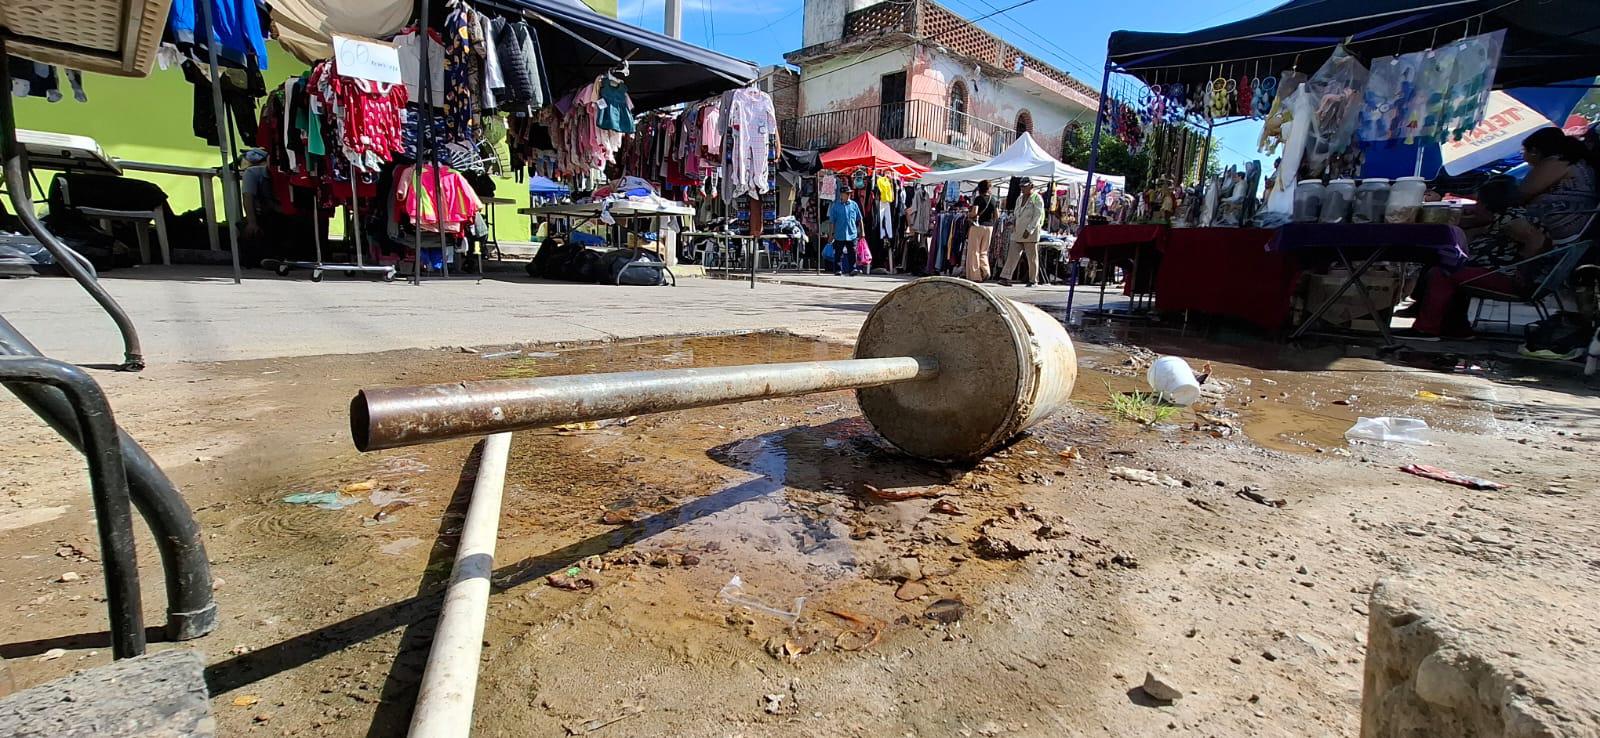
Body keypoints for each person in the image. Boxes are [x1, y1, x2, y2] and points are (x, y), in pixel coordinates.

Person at [1398, 176, 1552, 340]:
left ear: (1487, 204)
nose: (1476, 207)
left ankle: (1426, 329)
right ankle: (1455, 329)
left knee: (1443, 273)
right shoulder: (1503, 217)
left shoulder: (1513, 220)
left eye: (1479, 203)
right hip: (1497, 273)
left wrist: (1524, 272)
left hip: (1510, 279)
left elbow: (1537, 241)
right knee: (1448, 266)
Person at [1517, 126, 1599, 243]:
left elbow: (1521, 194)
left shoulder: (1555, 162)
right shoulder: (1573, 160)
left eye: (1524, 151)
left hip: (1565, 225)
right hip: (1579, 220)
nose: (1523, 156)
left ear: (1534, 151)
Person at [999, 180, 1045, 286]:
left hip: (1030, 232)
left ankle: (1033, 280)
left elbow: (1037, 216)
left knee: (1032, 258)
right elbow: (1016, 213)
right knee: (1012, 255)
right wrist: (1011, 221)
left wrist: (1029, 230)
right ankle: (1005, 277)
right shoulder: (1019, 198)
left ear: (1031, 186)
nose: (1022, 189)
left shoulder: (1037, 198)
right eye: (1021, 187)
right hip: (1017, 231)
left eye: (1025, 186)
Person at [827, 185, 864, 276]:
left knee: (852, 252)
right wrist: (831, 234)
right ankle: (838, 270)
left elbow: (860, 219)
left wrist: (862, 232)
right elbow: (832, 222)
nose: (848, 195)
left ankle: (853, 269)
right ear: (841, 194)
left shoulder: (854, 205)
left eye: (849, 193)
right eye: (846, 193)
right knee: (838, 253)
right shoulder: (835, 206)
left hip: (852, 233)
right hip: (839, 234)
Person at [965, 180, 998, 281]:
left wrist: (968, 214)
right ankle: (986, 271)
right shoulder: (993, 199)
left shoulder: (978, 199)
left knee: (974, 251)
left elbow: (974, 212)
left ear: (979, 189)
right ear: (989, 188)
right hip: (989, 227)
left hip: (978, 226)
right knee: (984, 251)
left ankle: (976, 276)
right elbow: (997, 215)